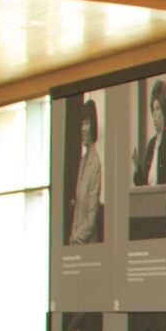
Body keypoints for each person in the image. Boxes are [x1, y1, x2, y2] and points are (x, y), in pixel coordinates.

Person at [66, 98, 105, 245]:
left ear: (93, 125)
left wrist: (76, 239)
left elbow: (92, 217)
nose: (83, 128)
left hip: (86, 246)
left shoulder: (95, 163)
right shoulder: (83, 160)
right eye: (82, 123)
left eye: (87, 123)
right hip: (76, 244)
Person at [136, 79, 166, 187]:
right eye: (153, 109)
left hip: (160, 200)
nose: (154, 114)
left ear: (164, 111)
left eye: (157, 109)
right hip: (148, 200)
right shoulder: (151, 144)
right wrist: (136, 166)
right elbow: (143, 182)